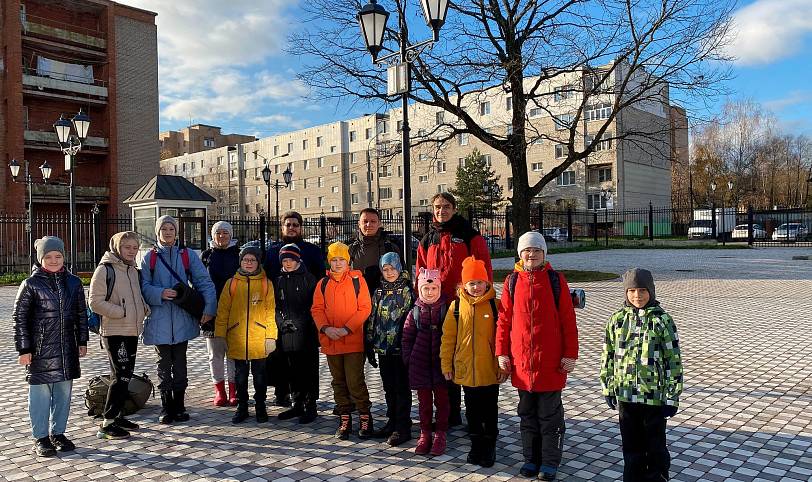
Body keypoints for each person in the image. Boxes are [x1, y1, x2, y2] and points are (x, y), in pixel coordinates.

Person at [496, 232, 579, 481]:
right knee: (527, 416)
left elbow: (568, 320)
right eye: (527, 251)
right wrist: (501, 352)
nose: (531, 255)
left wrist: (570, 354)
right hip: (522, 364)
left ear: (544, 253)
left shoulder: (555, 280)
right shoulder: (512, 281)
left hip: (550, 364)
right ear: (520, 254)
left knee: (549, 417)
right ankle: (531, 459)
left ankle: (550, 462)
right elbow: (504, 320)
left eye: (536, 250)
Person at [416, 192, 492, 427]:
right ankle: (450, 413)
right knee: (444, 358)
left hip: (464, 307)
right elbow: (420, 272)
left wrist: (482, 299)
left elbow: (485, 270)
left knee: (466, 356)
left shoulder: (469, 235)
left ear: (454, 208)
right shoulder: (427, 239)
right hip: (436, 308)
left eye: (446, 206)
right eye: (438, 207)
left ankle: (473, 416)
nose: (442, 211)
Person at [601, 268, 683, 482]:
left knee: (655, 445)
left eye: (642, 290)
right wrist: (608, 387)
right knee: (631, 446)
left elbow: (673, 360)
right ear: (626, 292)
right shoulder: (617, 320)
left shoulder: (662, 320)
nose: (637, 296)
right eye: (632, 291)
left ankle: (658, 477)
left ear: (651, 291)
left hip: (653, 396)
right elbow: (608, 355)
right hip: (626, 395)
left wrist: (672, 396)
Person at [13, 236, 88, 457]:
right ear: (40, 259)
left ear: (64, 257)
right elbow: (20, 319)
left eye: (58, 256)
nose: (54, 260)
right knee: (40, 396)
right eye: (48, 257)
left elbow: (81, 314)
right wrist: (24, 350)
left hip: (66, 349)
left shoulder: (74, 283)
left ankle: (58, 433)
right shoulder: (30, 284)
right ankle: (41, 437)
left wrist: (82, 341)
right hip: (40, 351)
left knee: (64, 394)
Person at [141, 215, 217, 424]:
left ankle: (180, 405)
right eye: (163, 229)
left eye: (171, 229)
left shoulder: (187, 255)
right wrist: (159, 293)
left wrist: (209, 308)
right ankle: (167, 407)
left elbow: (204, 282)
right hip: (159, 320)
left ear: (176, 232)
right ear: (157, 232)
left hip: (182, 319)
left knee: (181, 364)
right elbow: (143, 286)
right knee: (163, 365)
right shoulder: (149, 257)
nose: (167, 232)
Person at [441, 256, 507, 467]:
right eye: (471, 283)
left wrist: (503, 366)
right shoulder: (456, 306)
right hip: (466, 369)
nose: (476, 287)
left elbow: (504, 338)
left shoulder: (496, 305)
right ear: (463, 285)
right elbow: (448, 338)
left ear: (487, 283)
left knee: (490, 408)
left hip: (489, 369)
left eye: (480, 282)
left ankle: (489, 444)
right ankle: (476, 443)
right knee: (472, 410)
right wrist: (446, 364)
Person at [88, 231, 150, 440]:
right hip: (115, 331)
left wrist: (143, 308)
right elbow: (95, 302)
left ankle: (118, 415)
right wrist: (121, 312)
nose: (131, 251)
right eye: (127, 247)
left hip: (131, 329)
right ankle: (107, 424)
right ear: (117, 247)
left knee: (125, 375)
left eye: (135, 247)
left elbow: (135, 296)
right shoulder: (105, 270)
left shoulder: (132, 270)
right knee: (121, 375)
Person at [311, 242, 374, 440]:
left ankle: (365, 416)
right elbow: (317, 309)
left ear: (348, 262)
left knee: (355, 381)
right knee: (338, 382)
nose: (338, 264)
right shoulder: (322, 284)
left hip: (353, 340)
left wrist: (346, 328)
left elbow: (365, 308)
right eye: (334, 260)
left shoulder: (358, 281)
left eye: (342, 260)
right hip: (331, 341)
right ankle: (344, 418)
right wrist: (326, 328)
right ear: (329, 262)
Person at [263, 210, 324, 407]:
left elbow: (321, 280)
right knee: (280, 356)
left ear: (301, 228)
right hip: (280, 313)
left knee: (306, 358)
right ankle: (282, 392)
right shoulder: (272, 251)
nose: (291, 228)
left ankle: (308, 397)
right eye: (288, 225)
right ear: (282, 227)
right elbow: (266, 279)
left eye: (295, 225)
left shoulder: (312, 251)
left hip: (306, 314)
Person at [215, 246, 278, 424]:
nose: (248, 263)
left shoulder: (266, 283)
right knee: (240, 376)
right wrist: (220, 335)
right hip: (237, 337)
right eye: (245, 259)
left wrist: (271, 336)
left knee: (260, 376)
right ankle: (242, 406)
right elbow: (223, 311)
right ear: (240, 262)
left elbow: (270, 312)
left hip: (259, 338)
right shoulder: (231, 283)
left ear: (258, 262)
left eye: (252, 260)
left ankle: (260, 406)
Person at [365, 252, 415, 446]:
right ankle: (392, 420)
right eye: (385, 269)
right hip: (383, 347)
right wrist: (369, 342)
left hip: (400, 348)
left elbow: (411, 320)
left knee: (401, 387)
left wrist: (408, 344)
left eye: (392, 268)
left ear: (399, 268)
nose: (389, 272)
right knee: (389, 387)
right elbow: (372, 318)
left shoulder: (407, 291)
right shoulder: (378, 292)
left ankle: (403, 426)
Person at [402, 268, 449, 456]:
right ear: (420, 290)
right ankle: (425, 433)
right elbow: (406, 338)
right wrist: (409, 360)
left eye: (434, 289)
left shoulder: (446, 309)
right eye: (426, 289)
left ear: (439, 289)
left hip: (441, 365)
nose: (430, 293)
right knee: (424, 403)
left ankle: (441, 433)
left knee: (443, 402)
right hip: (420, 365)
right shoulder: (414, 312)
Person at [273, 243, 319, 424]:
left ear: (298, 260)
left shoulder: (309, 278)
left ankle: (310, 405)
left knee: (308, 369)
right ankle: (297, 402)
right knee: (292, 370)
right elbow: (275, 306)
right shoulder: (278, 280)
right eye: (284, 260)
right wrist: (281, 322)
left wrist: (300, 322)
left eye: (291, 259)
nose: (288, 263)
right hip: (286, 333)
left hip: (306, 332)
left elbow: (314, 305)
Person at [201, 221, 240, 407]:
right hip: (212, 311)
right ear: (213, 235)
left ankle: (233, 390)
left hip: (235, 311)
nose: (222, 236)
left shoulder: (239, 254)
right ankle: (219, 391)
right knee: (215, 354)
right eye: (218, 233)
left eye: (225, 232)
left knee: (233, 353)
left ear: (231, 235)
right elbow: (198, 282)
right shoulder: (206, 256)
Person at [348, 207, 403, 295]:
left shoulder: (390, 247)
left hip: (385, 298)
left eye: (373, 221)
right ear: (359, 224)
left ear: (379, 224)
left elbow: (402, 275)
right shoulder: (350, 248)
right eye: (365, 221)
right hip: (356, 297)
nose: (368, 224)